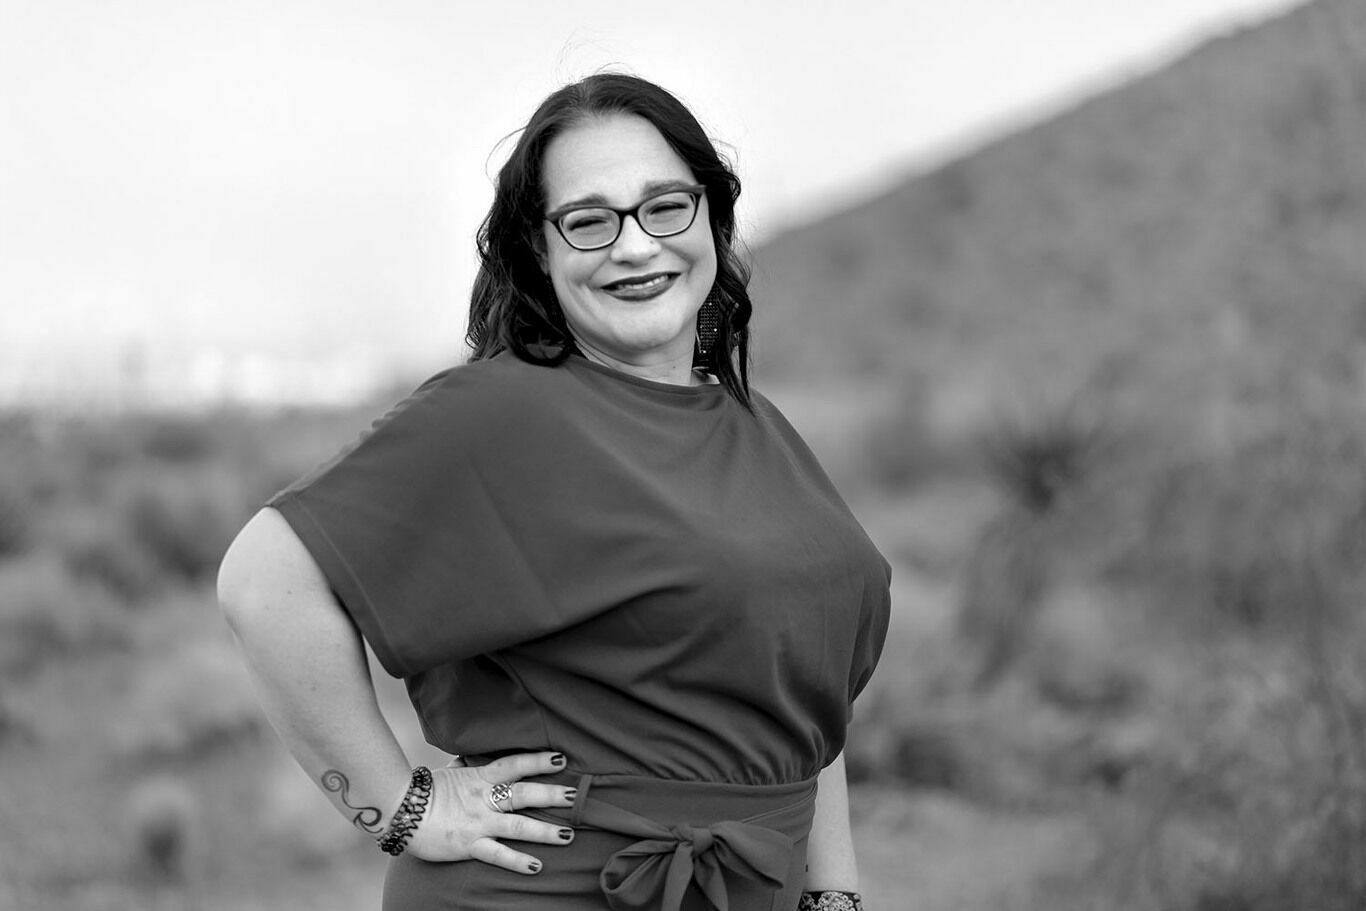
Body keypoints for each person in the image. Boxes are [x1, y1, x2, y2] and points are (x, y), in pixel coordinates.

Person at [217, 73, 891, 911]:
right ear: (542, 249)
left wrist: (833, 895)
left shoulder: (760, 428)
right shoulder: (502, 411)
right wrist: (402, 808)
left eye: (665, 206)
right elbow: (265, 581)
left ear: (712, 218)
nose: (636, 245)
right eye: (590, 220)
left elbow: (800, 700)